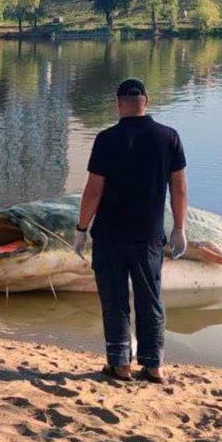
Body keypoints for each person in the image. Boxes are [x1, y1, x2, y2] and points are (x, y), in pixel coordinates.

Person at [74, 79, 188, 384]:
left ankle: (120, 365)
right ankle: (154, 366)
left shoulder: (106, 139)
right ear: (146, 101)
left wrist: (81, 228)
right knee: (150, 300)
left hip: (110, 235)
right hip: (149, 236)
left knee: (114, 301)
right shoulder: (169, 137)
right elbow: (178, 187)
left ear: (118, 103)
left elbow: (93, 191)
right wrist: (179, 228)